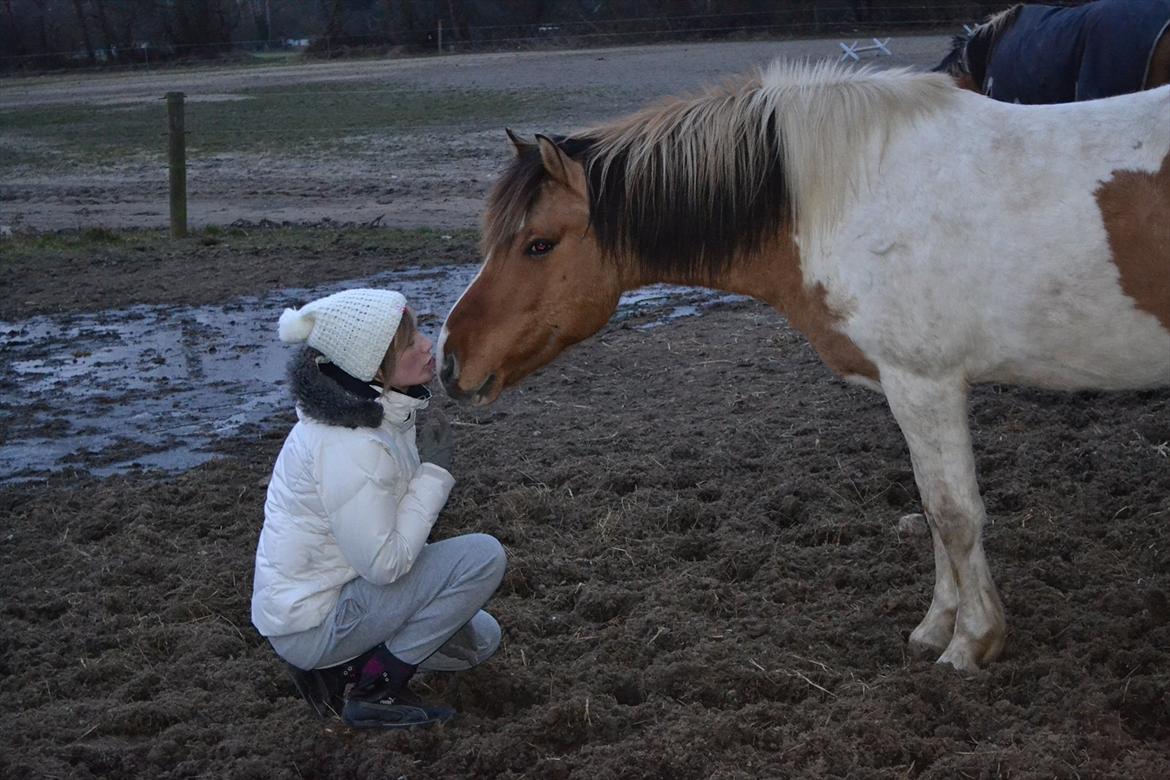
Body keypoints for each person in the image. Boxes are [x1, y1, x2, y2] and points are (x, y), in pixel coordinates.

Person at [250, 288, 506, 730]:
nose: (427, 344)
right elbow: (385, 564)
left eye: (420, 332)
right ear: (370, 364)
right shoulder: (350, 444)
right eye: (409, 343)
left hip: (339, 598)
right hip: (315, 621)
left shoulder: (379, 412)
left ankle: (341, 670)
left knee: (479, 641)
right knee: (484, 557)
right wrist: (435, 475)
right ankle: (377, 691)